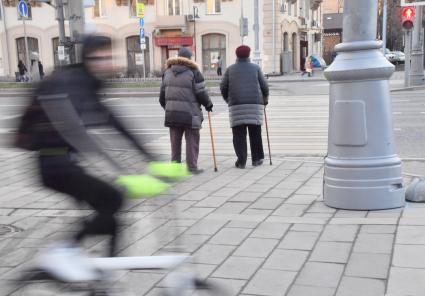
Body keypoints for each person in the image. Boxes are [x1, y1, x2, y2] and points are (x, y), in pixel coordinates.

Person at [21, 35, 155, 270]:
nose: (105, 62)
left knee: (111, 219)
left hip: (65, 163)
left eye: (108, 57)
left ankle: (105, 278)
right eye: (99, 57)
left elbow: (117, 124)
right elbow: (77, 134)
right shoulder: (72, 82)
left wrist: (152, 158)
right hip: (53, 163)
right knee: (113, 197)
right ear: (87, 57)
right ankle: (62, 254)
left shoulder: (88, 85)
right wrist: (122, 171)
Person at [159, 47, 213, 174]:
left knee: (175, 142)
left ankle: (175, 168)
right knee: (192, 141)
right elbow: (201, 92)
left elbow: (162, 96)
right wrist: (208, 104)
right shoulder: (194, 72)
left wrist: (168, 108)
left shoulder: (167, 72)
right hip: (190, 114)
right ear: (189, 58)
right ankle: (192, 167)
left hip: (172, 114)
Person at [220, 45, 269, 169]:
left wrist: (228, 99)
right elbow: (264, 86)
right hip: (255, 104)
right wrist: (265, 100)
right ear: (249, 55)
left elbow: (223, 87)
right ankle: (257, 159)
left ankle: (241, 161)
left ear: (237, 55)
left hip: (236, 105)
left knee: (238, 134)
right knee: (255, 132)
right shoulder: (256, 68)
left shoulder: (230, 69)